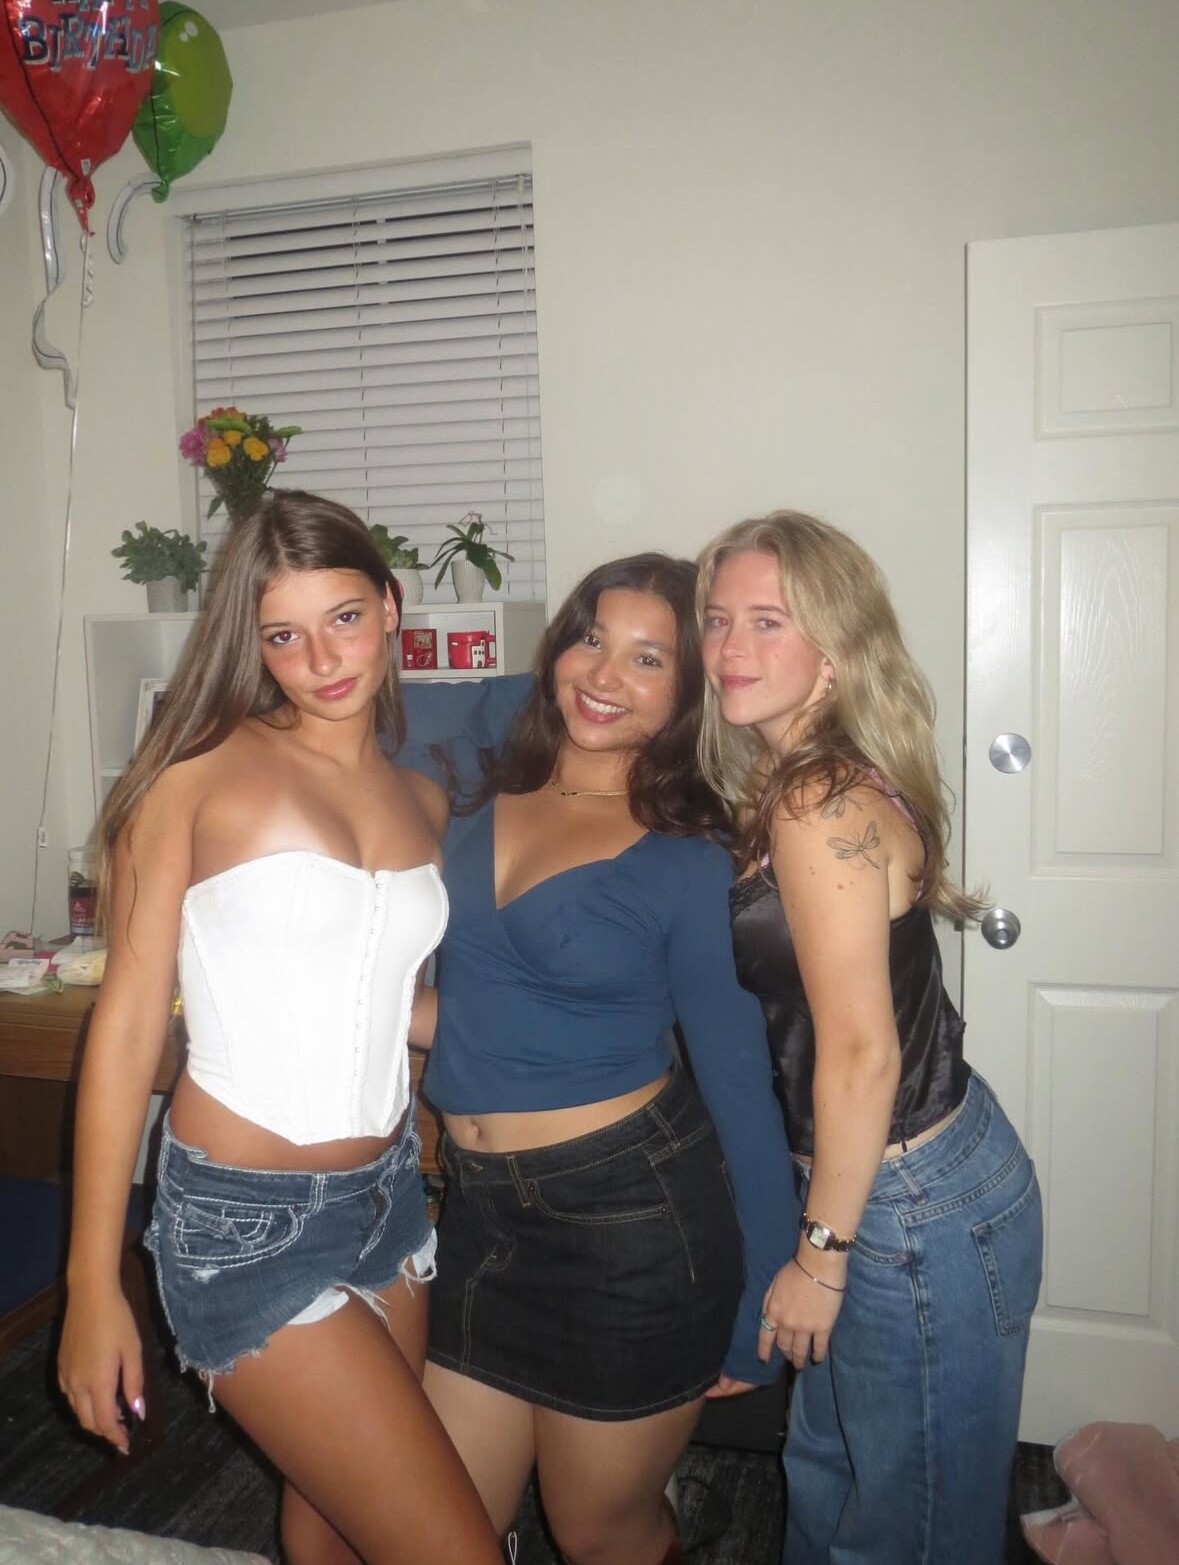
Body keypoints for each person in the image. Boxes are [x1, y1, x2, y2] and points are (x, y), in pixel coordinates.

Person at [58, 492, 503, 1565]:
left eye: (344, 617)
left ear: (389, 605)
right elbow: (126, 1027)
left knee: (336, 1524)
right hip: (241, 1224)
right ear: (250, 643)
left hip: (389, 1200)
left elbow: (378, 994)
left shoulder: (421, 799)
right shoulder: (193, 776)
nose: (322, 659)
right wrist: (90, 1282)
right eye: (284, 635)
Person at [396, 553, 797, 1565]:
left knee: (598, 1533)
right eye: (590, 638)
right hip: (481, 1215)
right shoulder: (478, 796)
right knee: (442, 1527)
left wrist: (762, 1296)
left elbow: (741, 1087)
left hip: (629, 1226)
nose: (605, 673)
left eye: (647, 658)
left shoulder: (688, 857)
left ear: (688, 693)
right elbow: (481, 1014)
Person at [696, 510, 1044, 1564]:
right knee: (835, 1475)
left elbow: (862, 1053)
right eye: (717, 618)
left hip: (904, 1203)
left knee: (907, 1526)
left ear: (836, 650)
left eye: (768, 620)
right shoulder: (797, 779)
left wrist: (820, 1256)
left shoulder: (816, 801)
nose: (729, 648)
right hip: (889, 1182)